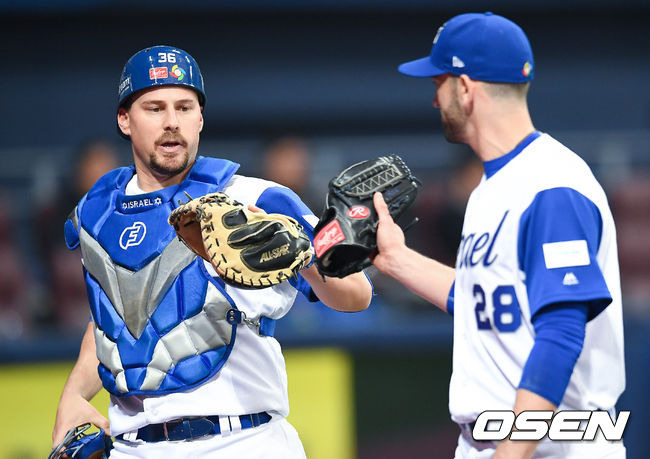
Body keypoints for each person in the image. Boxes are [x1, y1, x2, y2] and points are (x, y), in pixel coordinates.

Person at [51, 45, 372, 458]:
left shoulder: (256, 196)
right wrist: (74, 393)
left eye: (185, 107)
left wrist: (302, 253)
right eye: (154, 107)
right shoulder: (97, 212)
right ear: (124, 119)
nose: (172, 122)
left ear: (200, 118)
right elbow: (114, 315)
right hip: (134, 446)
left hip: (243, 439)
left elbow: (357, 293)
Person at [371, 12, 625, 459]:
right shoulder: (491, 188)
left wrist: (510, 452)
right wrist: (396, 258)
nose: (434, 99)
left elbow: (561, 334)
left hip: (551, 446)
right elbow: (483, 299)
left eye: (438, 83)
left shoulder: (552, 185)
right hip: (496, 443)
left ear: (465, 89)